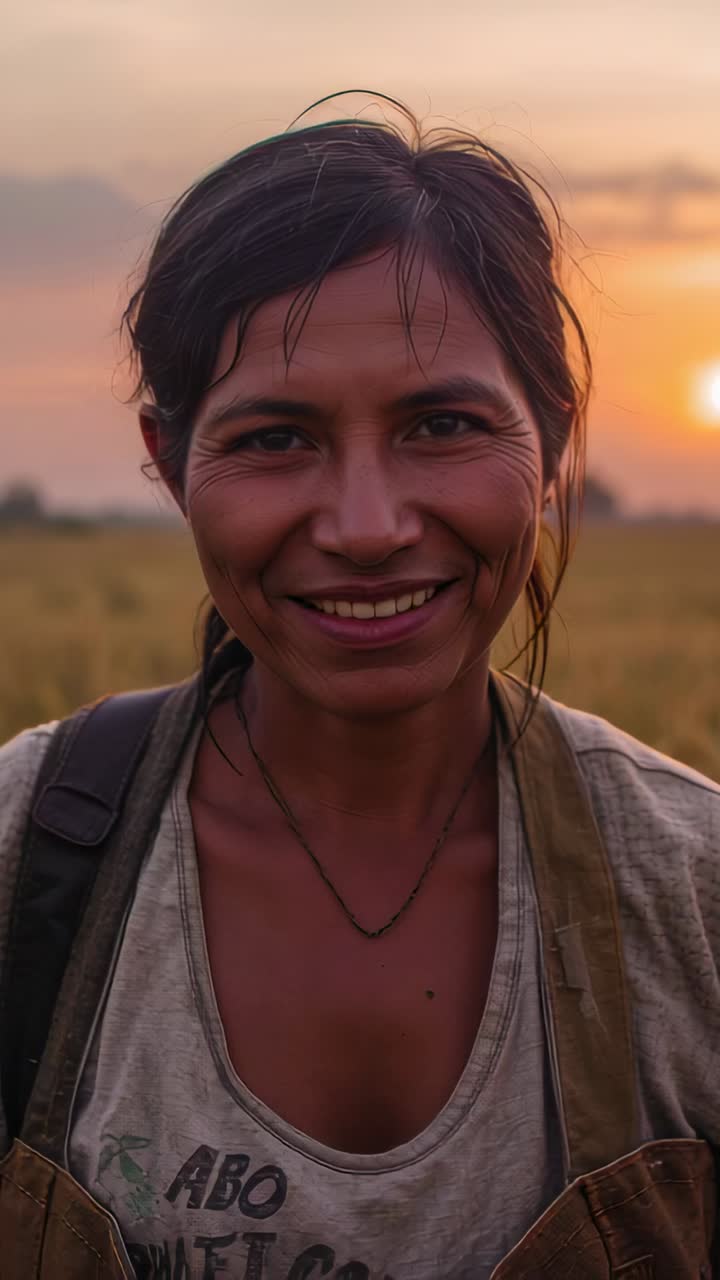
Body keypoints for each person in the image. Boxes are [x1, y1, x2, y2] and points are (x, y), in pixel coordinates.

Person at [0, 94, 718, 1279]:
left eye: (442, 422)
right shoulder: (29, 859)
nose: (370, 527)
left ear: (553, 440)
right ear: (171, 465)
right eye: (275, 437)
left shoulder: (693, 895)